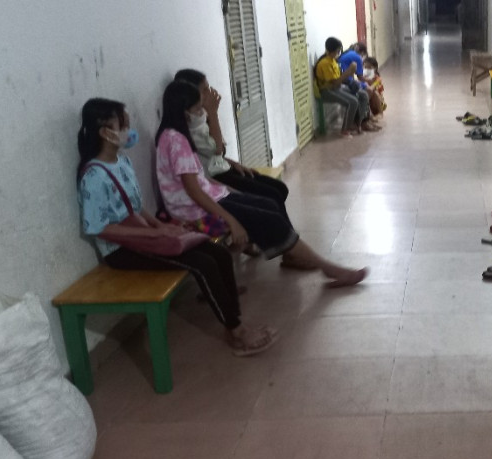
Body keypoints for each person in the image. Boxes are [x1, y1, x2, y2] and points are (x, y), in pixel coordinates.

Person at [75, 98, 278, 356]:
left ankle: (234, 319)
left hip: (145, 235)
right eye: (122, 125)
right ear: (105, 132)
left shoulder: (121, 162)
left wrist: (161, 226)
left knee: (218, 253)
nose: (128, 130)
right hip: (121, 250)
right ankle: (236, 333)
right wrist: (154, 232)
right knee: (202, 264)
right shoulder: (93, 176)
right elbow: (99, 228)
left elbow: (135, 207)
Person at [154, 80, 368, 287]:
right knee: (268, 219)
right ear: (184, 112)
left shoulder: (175, 135)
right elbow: (193, 191)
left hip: (209, 198)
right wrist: (231, 220)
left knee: (269, 204)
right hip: (193, 211)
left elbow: (198, 178)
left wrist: (226, 190)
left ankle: (271, 258)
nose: (202, 113)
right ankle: (327, 268)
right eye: (198, 109)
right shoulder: (176, 141)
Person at [173, 69, 290, 207]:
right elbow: (216, 150)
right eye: (204, 90)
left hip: (222, 167)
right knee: (272, 196)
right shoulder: (189, 125)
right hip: (214, 175)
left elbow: (221, 151)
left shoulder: (201, 116)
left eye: (208, 88)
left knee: (280, 188)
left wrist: (234, 164)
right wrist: (213, 113)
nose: (210, 93)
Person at [316, 37, 376, 137]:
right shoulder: (325, 63)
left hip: (338, 87)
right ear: (331, 50)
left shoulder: (333, 61)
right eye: (337, 51)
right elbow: (334, 83)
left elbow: (339, 78)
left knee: (363, 95)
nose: (339, 53)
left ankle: (359, 123)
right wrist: (349, 72)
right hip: (327, 90)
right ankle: (345, 129)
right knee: (353, 101)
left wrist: (351, 78)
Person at [337, 41, 380, 130]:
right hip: (345, 82)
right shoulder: (357, 57)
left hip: (344, 80)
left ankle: (366, 117)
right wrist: (369, 81)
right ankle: (362, 121)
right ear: (363, 53)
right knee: (368, 91)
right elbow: (360, 77)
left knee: (368, 89)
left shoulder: (347, 53)